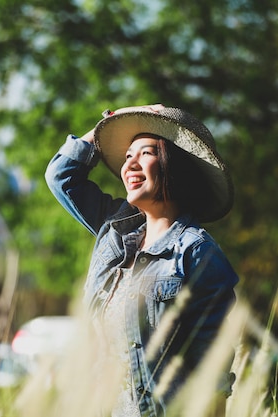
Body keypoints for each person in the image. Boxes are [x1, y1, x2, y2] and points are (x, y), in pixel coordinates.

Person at [45, 104, 239, 416]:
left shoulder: (197, 252)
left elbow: (211, 366)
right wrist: (114, 120)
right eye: (127, 156)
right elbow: (61, 176)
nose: (130, 164)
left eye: (146, 153)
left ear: (174, 165)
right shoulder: (116, 229)